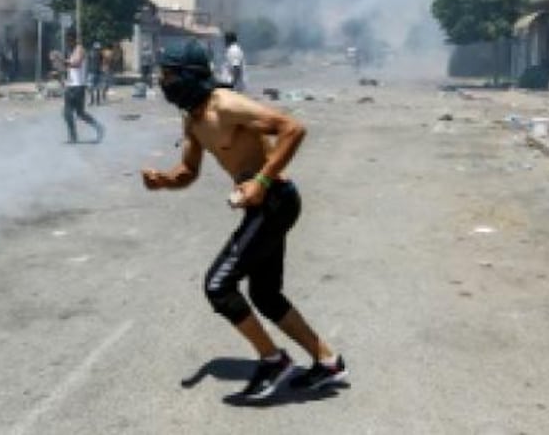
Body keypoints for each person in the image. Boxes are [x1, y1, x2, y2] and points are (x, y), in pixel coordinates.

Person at [141, 39, 347, 401]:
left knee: (218, 285)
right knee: (265, 295)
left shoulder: (226, 105)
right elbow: (188, 171)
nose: (163, 82)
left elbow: (292, 128)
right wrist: (162, 181)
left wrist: (262, 181)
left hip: (275, 201)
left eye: (168, 74)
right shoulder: (193, 119)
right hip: (264, 206)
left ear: (189, 76)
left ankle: (273, 360)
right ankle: (326, 361)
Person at [62, 31, 104, 143]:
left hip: (78, 86)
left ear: (74, 39)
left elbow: (77, 64)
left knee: (72, 113)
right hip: (72, 85)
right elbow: (70, 69)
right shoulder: (72, 51)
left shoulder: (79, 49)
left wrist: (62, 61)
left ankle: (76, 136)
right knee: (76, 113)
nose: (67, 43)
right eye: (67, 40)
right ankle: (97, 127)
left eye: (69, 40)